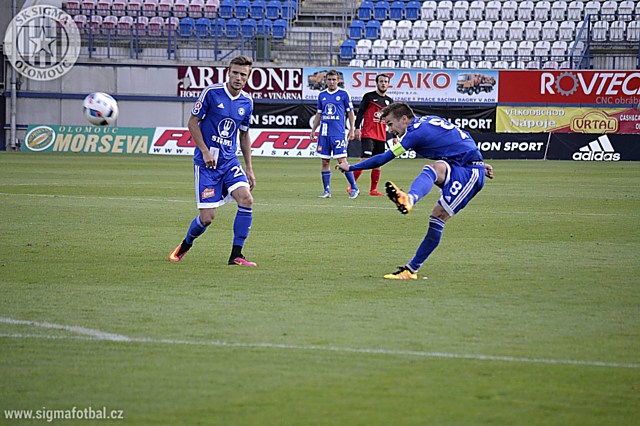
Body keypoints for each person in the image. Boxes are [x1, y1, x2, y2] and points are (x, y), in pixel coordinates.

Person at [337, 102, 494, 280]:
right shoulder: (428, 120)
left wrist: (351, 167)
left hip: (468, 173)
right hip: (463, 165)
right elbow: (458, 138)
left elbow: (383, 158)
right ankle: (409, 200)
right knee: (433, 169)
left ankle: (411, 269)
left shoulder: (413, 134)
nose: (389, 130)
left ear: (404, 119)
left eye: (390, 124)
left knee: (438, 215)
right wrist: (479, 161)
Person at [169, 55, 257, 266]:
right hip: (206, 164)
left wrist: (249, 168)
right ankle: (186, 244)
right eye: (235, 73)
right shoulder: (212, 93)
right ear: (228, 72)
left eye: (242, 75)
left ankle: (236, 255)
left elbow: (244, 135)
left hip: (229, 161)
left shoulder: (247, 102)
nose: (238, 77)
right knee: (207, 217)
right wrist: (205, 151)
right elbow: (192, 123)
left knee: (246, 199)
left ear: (248, 77)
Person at [310, 70, 360, 199]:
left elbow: (350, 113)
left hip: (338, 133)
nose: (331, 82)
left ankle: (354, 187)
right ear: (325, 80)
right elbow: (319, 114)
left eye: (334, 79)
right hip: (324, 133)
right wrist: (313, 130)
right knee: (325, 162)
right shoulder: (322, 95)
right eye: (329, 79)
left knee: (342, 161)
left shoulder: (344, 94)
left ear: (338, 81)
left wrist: (352, 129)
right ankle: (327, 191)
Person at [351, 73, 394, 196]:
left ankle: (373, 190)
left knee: (378, 162)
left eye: (385, 81)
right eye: (381, 81)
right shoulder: (369, 96)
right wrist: (357, 128)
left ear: (388, 84)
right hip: (368, 133)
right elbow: (360, 113)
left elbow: (391, 120)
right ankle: (352, 185)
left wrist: (395, 136)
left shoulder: (389, 101)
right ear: (377, 83)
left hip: (381, 135)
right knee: (365, 159)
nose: (383, 83)